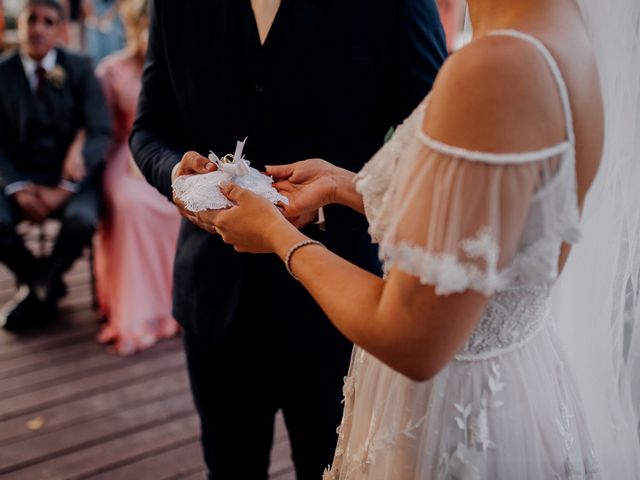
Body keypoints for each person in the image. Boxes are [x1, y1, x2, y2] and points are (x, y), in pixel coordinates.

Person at [192, 0, 640, 477]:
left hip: (455, 415)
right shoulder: (557, 30)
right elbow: (491, 229)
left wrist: (274, 233)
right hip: (517, 386)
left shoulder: (495, 68)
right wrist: (344, 185)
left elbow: (412, 337)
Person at [130, 0, 446, 477]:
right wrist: (177, 174)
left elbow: (434, 148)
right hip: (215, 301)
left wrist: (336, 192)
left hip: (341, 304)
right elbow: (149, 129)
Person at [0, 0, 111, 332]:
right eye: (30, 20)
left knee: (82, 220)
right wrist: (17, 188)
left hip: (72, 181)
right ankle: (45, 283)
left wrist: (65, 188)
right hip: (20, 180)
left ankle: (37, 290)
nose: (38, 28)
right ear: (19, 26)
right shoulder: (2, 74)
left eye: (48, 21)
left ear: (61, 29)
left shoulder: (79, 67)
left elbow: (101, 131)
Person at [93, 0, 180, 355]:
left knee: (179, 204)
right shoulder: (110, 71)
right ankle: (137, 312)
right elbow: (101, 131)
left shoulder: (173, 69)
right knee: (129, 204)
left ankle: (173, 304)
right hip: (122, 155)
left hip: (164, 156)